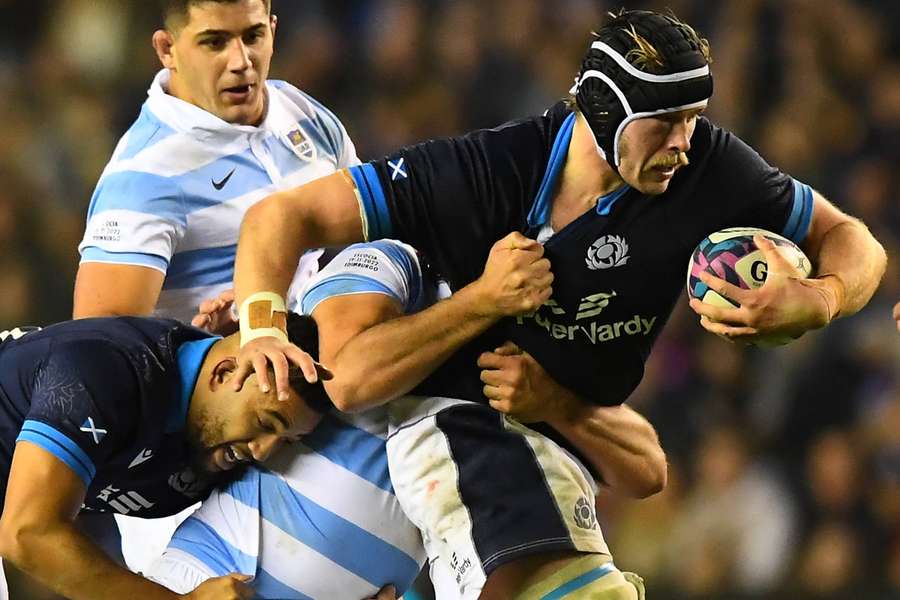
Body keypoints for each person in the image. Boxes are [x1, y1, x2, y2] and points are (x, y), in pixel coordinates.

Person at [230, 8, 887, 598]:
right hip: (466, 418)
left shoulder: (705, 167)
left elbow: (851, 239)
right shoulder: (485, 175)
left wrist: (821, 297)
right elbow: (281, 216)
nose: (685, 142)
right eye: (664, 124)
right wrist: (260, 326)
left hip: (571, 434)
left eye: (694, 119)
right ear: (605, 112)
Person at [151, 238, 664, 599]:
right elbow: (347, 375)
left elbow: (647, 471)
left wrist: (558, 404)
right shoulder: (373, 293)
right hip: (209, 577)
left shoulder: (520, 365)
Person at [72, 0, 359, 572]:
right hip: (197, 494)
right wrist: (204, 347)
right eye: (214, 42)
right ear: (167, 49)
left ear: (274, 30)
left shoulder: (305, 115)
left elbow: (368, 240)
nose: (241, 61)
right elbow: (94, 364)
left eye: (253, 36)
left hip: (311, 431)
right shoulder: (144, 178)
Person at [0, 315, 328, 600]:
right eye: (265, 423)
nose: (263, 451)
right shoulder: (104, 371)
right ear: (225, 374)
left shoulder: (214, 439)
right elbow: (28, 533)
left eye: (287, 441)